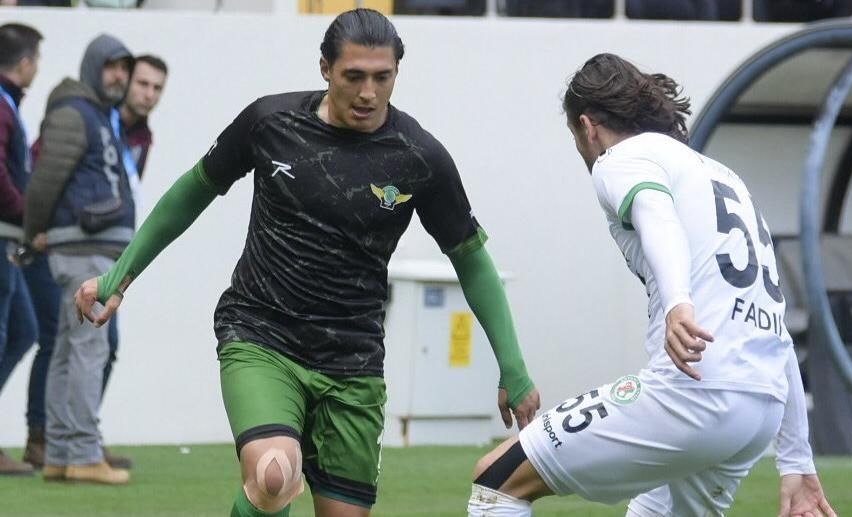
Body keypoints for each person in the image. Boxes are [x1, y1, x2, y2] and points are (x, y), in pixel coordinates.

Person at [73, 8, 540, 516]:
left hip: (353, 361)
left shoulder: (419, 157)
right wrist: (119, 276)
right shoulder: (270, 122)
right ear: (325, 68)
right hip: (262, 336)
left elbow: (471, 260)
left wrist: (513, 369)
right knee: (275, 474)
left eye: (382, 77)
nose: (368, 93)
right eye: (353, 76)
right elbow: (192, 191)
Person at [466, 53, 836, 517]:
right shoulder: (722, 177)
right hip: (759, 410)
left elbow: (655, 214)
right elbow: (774, 329)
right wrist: (797, 459)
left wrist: (678, 303)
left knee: (496, 481)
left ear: (587, 127)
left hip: (693, 395)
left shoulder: (621, 158)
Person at [23, 33, 134, 485]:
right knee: (90, 348)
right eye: (112, 66)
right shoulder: (75, 111)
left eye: (124, 69)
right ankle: (85, 454)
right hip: (83, 250)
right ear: (92, 66)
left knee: (69, 351)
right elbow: (45, 180)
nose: (119, 76)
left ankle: (60, 455)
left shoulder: (96, 114)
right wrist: (33, 234)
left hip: (88, 249)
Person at [102, 53, 168, 401]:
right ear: (126, 81)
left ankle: (77, 429)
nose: (149, 94)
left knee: (106, 348)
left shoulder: (143, 136)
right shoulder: (99, 121)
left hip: (112, 250)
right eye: (143, 84)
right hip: (76, 244)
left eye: (157, 88)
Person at [0, 21, 41, 477]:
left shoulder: (8, 103)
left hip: (8, 238)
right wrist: (26, 213)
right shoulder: (2, 104)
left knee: (23, 330)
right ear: (26, 62)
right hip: (3, 235)